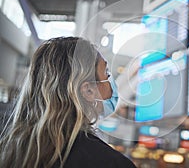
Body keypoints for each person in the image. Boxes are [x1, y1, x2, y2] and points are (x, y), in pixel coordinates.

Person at [0, 37, 136, 168]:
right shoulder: (111, 163)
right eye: (106, 72)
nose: (110, 81)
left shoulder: (11, 149)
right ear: (88, 90)